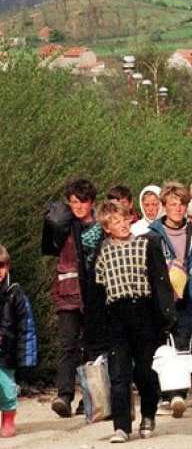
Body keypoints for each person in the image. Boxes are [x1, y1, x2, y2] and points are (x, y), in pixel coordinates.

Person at [94, 202, 175, 443]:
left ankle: (148, 415)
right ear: (107, 228)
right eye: (115, 222)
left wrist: (166, 316)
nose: (121, 225)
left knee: (144, 371)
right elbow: (98, 290)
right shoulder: (102, 252)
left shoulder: (146, 243)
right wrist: (95, 330)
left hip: (143, 312)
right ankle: (121, 427)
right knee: (119, 375)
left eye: (123, 219)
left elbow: (160, 281)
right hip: (116, 316)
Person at [41, 178, 107, 418]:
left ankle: (91, 399)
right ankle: (64, 396)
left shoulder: (101, 227)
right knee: (68, 346)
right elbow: (49, 245)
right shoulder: (63, 226)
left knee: (93, 347)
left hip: (95, 296)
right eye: (73, 202)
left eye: (83, 201)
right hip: (68, 294)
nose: (78, 206)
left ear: (92, 202)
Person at [148, 182, 192, 412]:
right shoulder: (153, 236)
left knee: (184, 344)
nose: (177, 208)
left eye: (181, 204)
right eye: (172, 204)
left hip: (189, 300)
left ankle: (179, 394)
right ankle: (165, 393)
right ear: (164, 206)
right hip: (162, 300)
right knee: (164, 346)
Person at [0, 244, 38, 438]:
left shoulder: (15, 293)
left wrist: (27, 356)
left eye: (1, 266)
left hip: (6, 352)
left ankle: (8, 418)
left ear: (7, 267)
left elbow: (26, 325)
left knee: (6, 387)